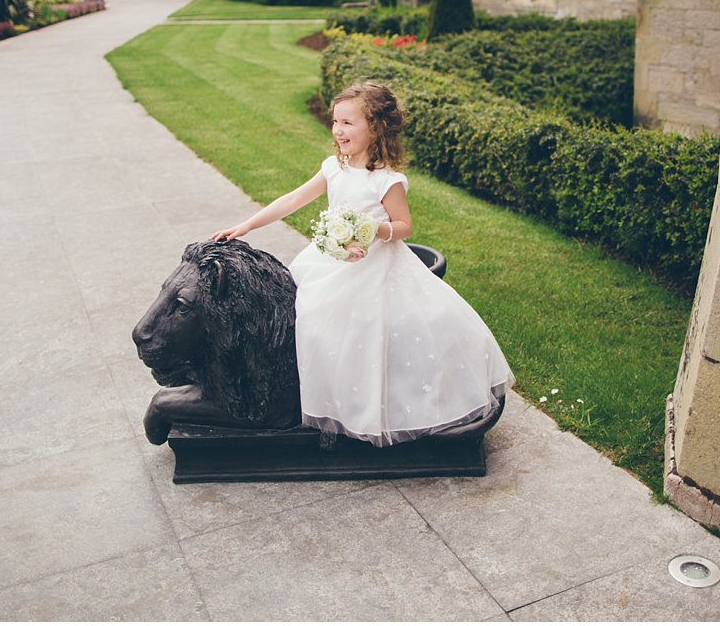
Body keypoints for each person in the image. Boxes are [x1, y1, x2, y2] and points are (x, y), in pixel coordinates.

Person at [212, 81, 513, 447]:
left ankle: (366, 404)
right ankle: (315, 394)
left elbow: (404, 226)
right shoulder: (333, 168)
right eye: (336, 122)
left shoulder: (386, 180)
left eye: (348, 123)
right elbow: (293, 199)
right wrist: (247, 225)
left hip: (374, 266)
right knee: (305, 316)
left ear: (376, 127)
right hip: (328, 262)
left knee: (362, 330)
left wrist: (370, 230)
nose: (338, 130)